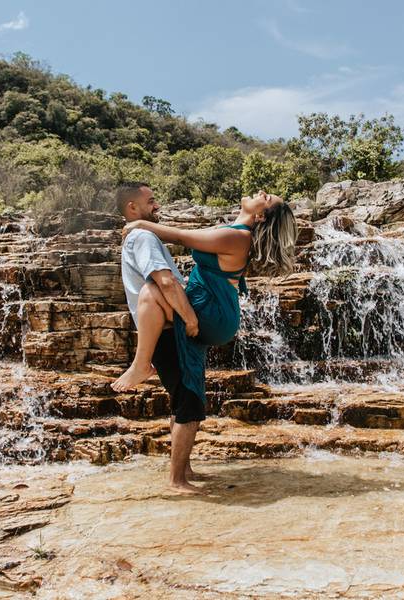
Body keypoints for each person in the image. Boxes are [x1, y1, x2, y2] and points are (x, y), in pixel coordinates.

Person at [112, 188, 298, 422]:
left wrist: (141, 224)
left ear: (260, 216)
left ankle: (141, 364)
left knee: (151, 291)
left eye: (266, 197)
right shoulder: (231, 231)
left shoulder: (237, 237)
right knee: (156, 291)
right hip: (213, 307)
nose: (261, 192)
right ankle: (147, 365)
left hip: (214, 314)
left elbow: (181, 237)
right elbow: (186, 235)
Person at [115, 181, 207, 494]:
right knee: (189, 402)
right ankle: (177, 480)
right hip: (169, 332)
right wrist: (190, 317)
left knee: (181, 399)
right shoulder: (142, 237)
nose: (157, 206)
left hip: (162, 331)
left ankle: (184, 470)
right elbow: (164, 282)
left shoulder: (139, 235)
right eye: (151, 201)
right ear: (132, 207)